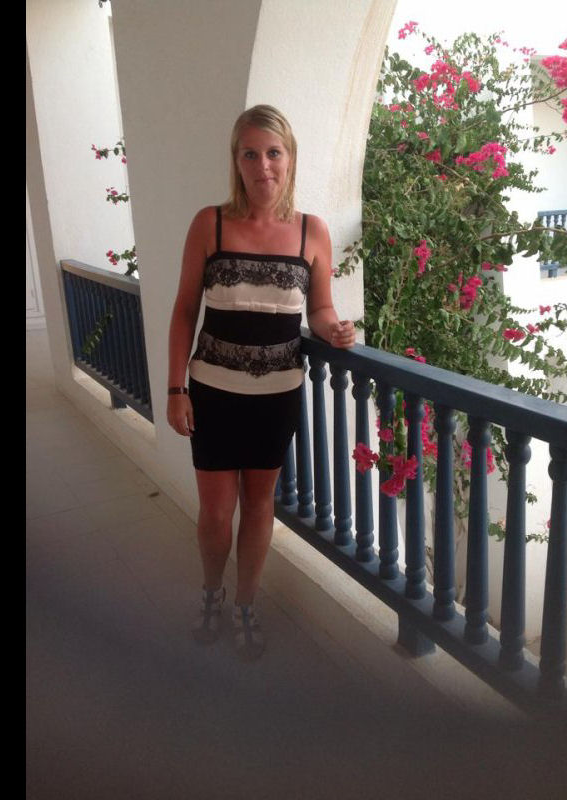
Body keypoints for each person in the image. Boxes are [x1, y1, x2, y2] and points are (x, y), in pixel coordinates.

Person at [167, 105, 356, 661]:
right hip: (212, 394)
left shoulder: (312, 231)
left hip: (276, 397)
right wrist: (176, 389)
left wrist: (334, 329)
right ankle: (213, 592)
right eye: (250, 153)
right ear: (237, 161)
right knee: (215, 512)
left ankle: (246, 603)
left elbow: (318, 308)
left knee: (259, 506)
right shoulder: (210, 224)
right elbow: (184, 310)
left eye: (273, 153)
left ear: (289, 159)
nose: (263, 165)